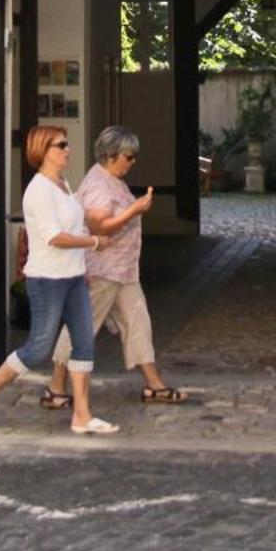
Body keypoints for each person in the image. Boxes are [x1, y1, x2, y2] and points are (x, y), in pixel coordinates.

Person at [0, 125, 119, 436]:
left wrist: (83, 267)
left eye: (66, 144)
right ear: (43, 150)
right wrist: (95, 244)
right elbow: (54, 237)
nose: (67, 149)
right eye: (61, 145)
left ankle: (82, 416)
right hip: (47, 280)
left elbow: (76, 226)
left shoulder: (63, 184)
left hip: (73, 278)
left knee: (84, 344)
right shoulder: (38, 190)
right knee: (37, 348)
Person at [46, 126, 185, 406]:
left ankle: (153, 385)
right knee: (81, 327)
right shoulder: (99, 184)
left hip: (122, 271)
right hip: (103, 270)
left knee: (137, 322)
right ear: (112, 155)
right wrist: (135, 209)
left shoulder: (112, 179)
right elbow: (100, 226)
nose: (133, 161)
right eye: (129, 156)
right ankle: (56, 387)